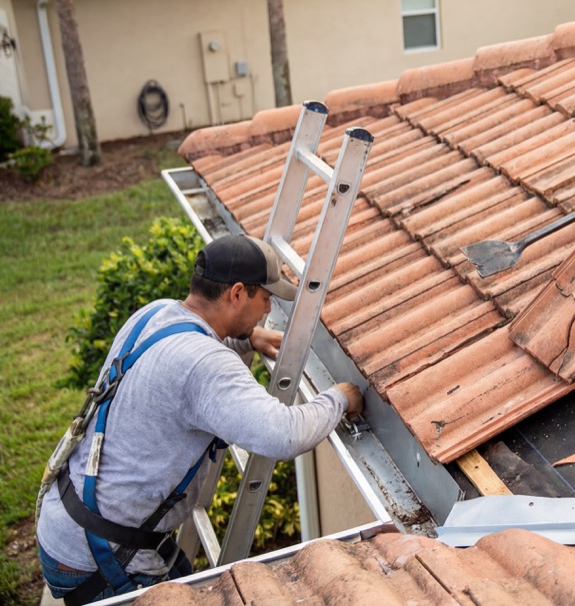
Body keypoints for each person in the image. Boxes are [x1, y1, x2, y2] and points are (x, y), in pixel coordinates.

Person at [36, 234, 364, 604]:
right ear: (237, 293)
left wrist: (245, 339)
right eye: (265, 298)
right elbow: (283, 435)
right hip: (99, 558)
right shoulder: (205, 364)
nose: (267, 310)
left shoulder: (156, 312)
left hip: (68, 517)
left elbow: (183, 365)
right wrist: (341, 398)